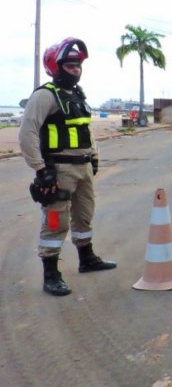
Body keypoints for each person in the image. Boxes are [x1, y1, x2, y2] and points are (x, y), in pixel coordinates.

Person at [19, 37, 117, 297]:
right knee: (55, 220)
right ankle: (51, 273)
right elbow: (27, 132)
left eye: (78, 65)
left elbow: (86, 130)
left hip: (83, 167)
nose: (76, 69)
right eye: (70, 65)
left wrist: (94, 157)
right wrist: (41, 170)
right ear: (55, 66)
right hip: (58, 170)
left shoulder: (77, 95)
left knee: (84, 214)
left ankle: (87, 258)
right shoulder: (44, 95)